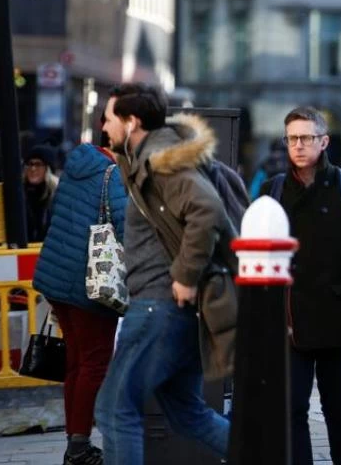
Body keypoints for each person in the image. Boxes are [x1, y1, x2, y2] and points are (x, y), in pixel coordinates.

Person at [94, 83, 232, 464]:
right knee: (188, 413)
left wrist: (186, 276)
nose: (103, 128)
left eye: (108, 119)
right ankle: (271, 453)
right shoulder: (145, 156)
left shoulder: (161, 160)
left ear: (131, 121)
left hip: (158, 307)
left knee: (114, 409)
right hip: (171, 310)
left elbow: (207, 210)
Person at [263, 106, 341, 465]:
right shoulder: (273, 190)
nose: (298, 146)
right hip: (290, 321)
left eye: (306, 138)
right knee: (293, 407)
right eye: (292, 138)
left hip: (339, 318)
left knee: (337, 407)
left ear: (324, 141)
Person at [33, 143, 127, 465]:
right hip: (91, 281)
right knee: (95, 363)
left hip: (58, 278)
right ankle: (79, 447)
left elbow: (56, 214)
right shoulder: (112, 173)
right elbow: (126, 224)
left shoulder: (74, 166)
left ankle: (74, 441)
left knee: (76, 361)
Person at [24, 144, 59, 243]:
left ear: (48, 169)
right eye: (30, 164)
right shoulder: (21, 194)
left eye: (38, 164)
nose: (33, 168)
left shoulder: (57, 196)